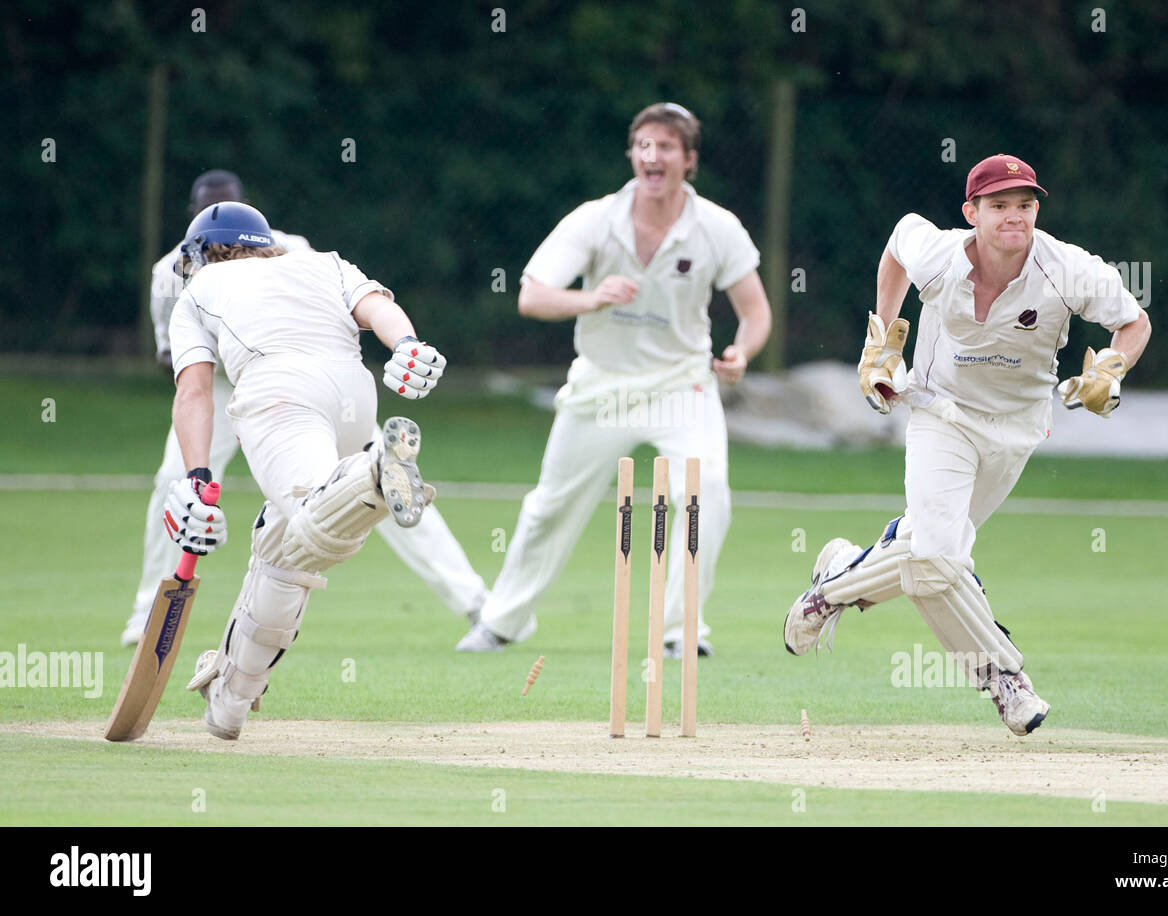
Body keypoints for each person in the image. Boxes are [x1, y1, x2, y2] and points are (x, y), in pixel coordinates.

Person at [783, 153, 1152, 736]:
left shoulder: (1068, 268)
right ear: (971, 212)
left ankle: (834, 586)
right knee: (935, 555)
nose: (1015, 217)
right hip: (940, 414)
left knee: (934, 554)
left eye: (1025, 206)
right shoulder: (940, 255)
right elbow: (899, 243)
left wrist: (1112, 369)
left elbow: (1134, 322)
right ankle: (1004, 678)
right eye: (999, 206)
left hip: (1016, 429)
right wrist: (881, 339)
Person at [456, 102, 772, 655]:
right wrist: (593, 297)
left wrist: (741, 353)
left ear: (688, 159)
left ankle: (680, 631)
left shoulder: (717, 227)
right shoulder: (594, 219)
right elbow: (532, 296)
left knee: (707, 492)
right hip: (604, 385)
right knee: (550, 506)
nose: (653, 156)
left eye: (666, 147)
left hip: (682, 384)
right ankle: (501, 622)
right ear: (632, 153)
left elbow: (756, 312)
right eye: (643, 145)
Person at [122, 170, 487, 646]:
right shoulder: (174, 272)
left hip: (272, 384)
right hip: (309, 378)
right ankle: (149, 608)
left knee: (298, 507)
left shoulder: (252, 259)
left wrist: (201, 474)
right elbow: (177, 361)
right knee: (182, 476)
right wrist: (407, 344)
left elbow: (186, 384)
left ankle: (474, 600)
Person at [166, 200, 445, 739]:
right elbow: (378, 310)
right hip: (353, 395)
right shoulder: (323, 261)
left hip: (280, 394)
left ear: (202, 254)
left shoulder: (200, 290)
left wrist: (198, 478)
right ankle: (230, 697)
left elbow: (194, 392)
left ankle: (371, 475)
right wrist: (408, 345)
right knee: (285, 550)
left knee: (314, 514)